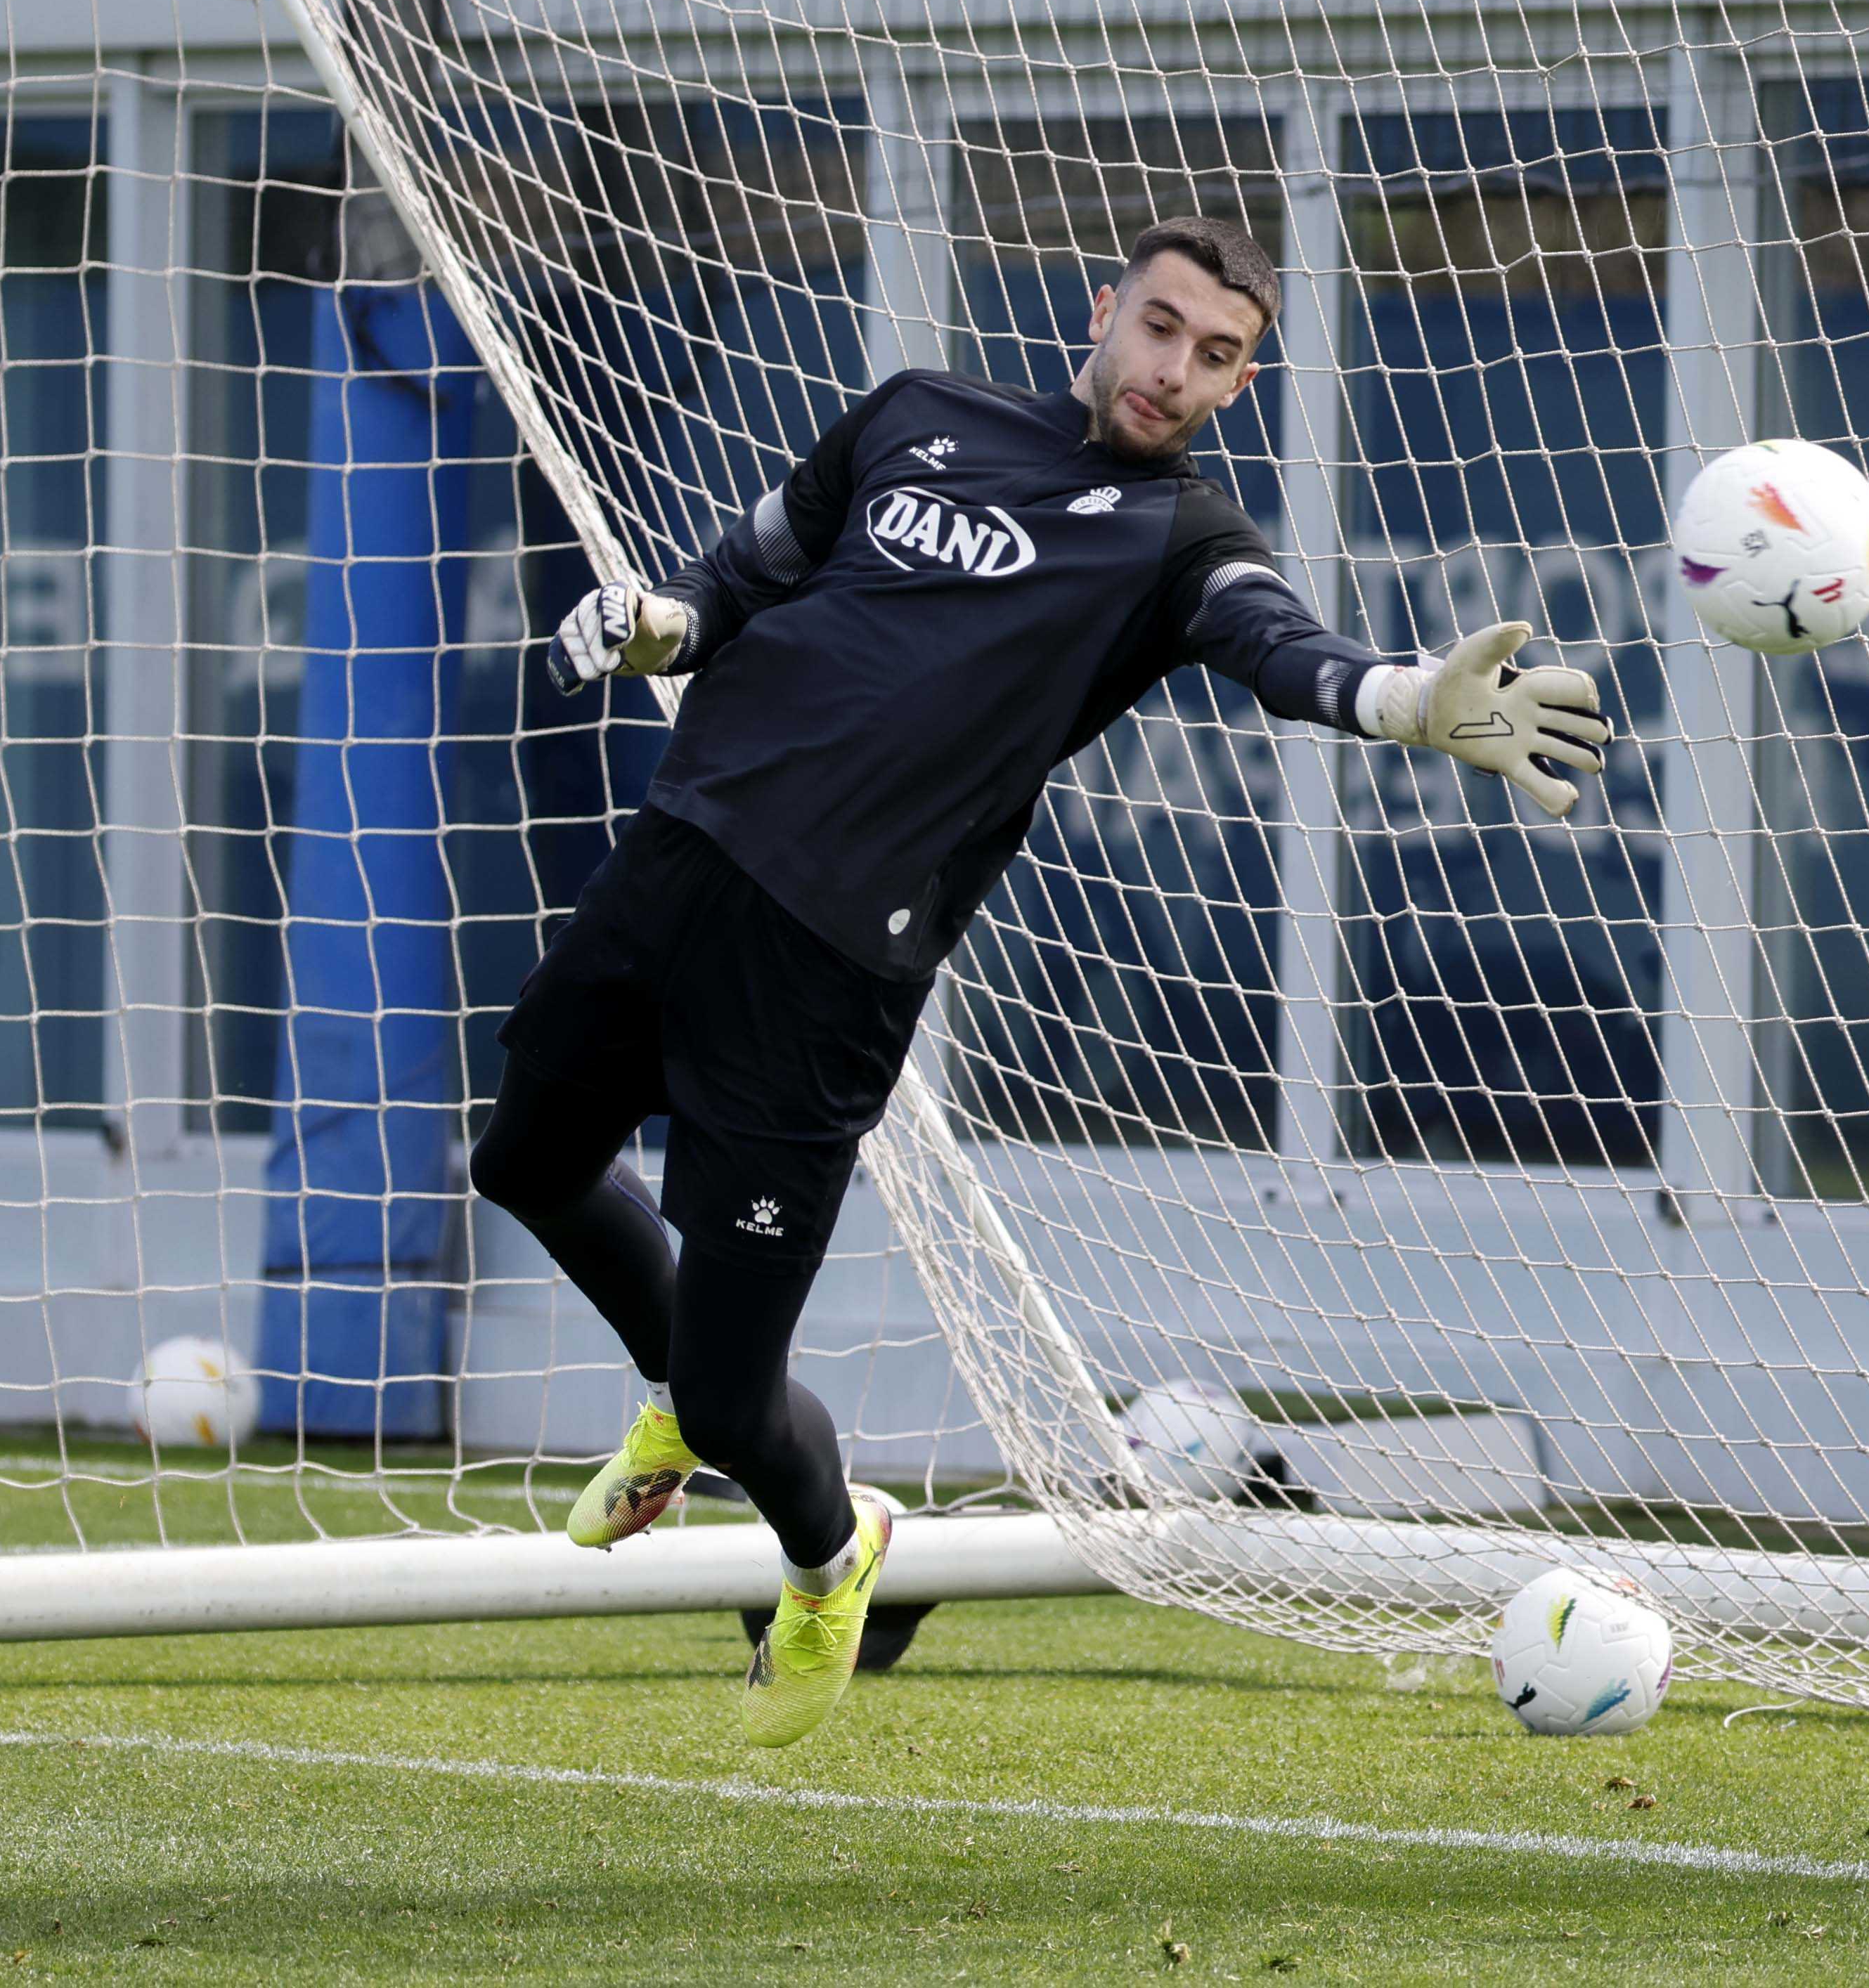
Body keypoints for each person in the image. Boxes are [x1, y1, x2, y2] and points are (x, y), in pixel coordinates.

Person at [472, 214, 1612, 1746]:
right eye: (1161, 326)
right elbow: (743, 575)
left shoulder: (1179, 540)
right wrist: (657, 623)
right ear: (1105, 310)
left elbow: (1279, 646)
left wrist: (1406, 699)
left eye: (1217, 355)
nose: (1175, 368)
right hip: (677, 857)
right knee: (525, 1160)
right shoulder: (912, 414)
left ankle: (831, 1554)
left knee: (747, 1405)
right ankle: (673, 1392)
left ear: (1242, 383)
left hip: (823, 970)